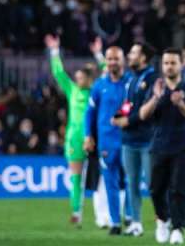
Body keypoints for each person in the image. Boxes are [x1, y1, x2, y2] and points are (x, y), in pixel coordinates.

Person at [140, 48, 185, 245]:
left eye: (173, 62)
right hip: (158, 146)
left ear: (181, 64)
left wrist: (181, 104)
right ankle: (162, 220)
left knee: (178, 189)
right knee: (155, 190)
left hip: (182, 145)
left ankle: (177, 228)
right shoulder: (156, 87)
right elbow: (142, 115)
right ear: (162, 65)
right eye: (166, 63)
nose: (169, 66)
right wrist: (156, 97)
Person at [44, 34, 95, 227]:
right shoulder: (72, 90)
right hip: (74, 139)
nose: (77, 80)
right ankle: (77, 212)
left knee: (100, 178)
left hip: (95, 138)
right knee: (76, 178)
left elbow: (109, 74)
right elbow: (58, 73)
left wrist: (99, 55)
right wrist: (55, 51)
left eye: (81, 77)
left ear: (89, 79)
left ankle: (106, 215)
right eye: (77, 78)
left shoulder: (97, 90)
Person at [84, 45, 129, 235]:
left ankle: (131, 218)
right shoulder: (99, 85)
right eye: (109, 59)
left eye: (115, 59)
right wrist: (88, 136)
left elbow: (133, 106)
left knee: (129, 181)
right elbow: (90, 113)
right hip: (106, 142)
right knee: (110, 181)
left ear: (123, 60)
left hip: (129, 140)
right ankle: (115, 222)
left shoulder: (131, 83)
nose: (112, 62)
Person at [120, 42, 158, 236]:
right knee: (131, 183)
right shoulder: (131, 78)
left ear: (143, 57)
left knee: (154, 184)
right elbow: (128, 104)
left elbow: (146, 112)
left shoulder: (152, 78)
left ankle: (163, 221)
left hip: (147, 140)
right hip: (129, 140)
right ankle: (136, 223)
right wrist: (119, 116)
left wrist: (127, 120)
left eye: (133, 52)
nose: (129, 55)